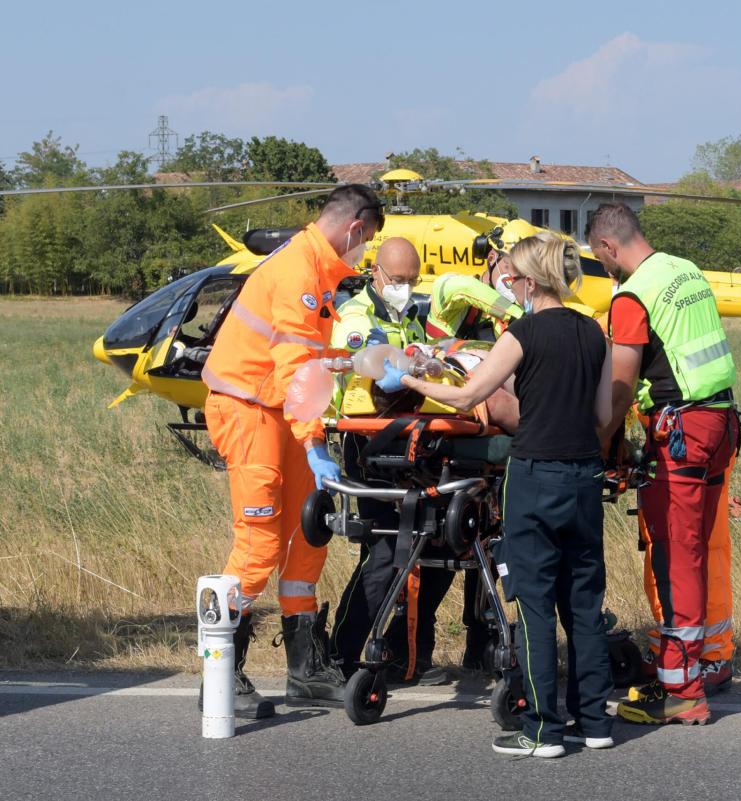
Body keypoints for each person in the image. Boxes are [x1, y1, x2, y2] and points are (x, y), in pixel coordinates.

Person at [395, 234, 614, 758]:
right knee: (583, 603)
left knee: (536, 604)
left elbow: (469, 395)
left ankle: (542, 730)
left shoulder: (523, 332)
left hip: (537, 475)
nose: (507, 287)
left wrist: (412, 379)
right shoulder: (592, 333)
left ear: (531, 282)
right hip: (585, 474)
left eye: (511, 279)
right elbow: (604, 415)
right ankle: (594, 721)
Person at [201, 184, 384, 713]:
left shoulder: (319, 275)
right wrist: (314, 439)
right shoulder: (298, 273)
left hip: (284, 412)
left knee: (308, 533)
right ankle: (220, 671)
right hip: (249, 408)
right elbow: (293, 368)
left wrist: (362, 361)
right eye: (367, 240)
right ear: (354, 227)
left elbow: (312, 359)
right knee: (258, 543)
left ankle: (306, 669)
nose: (365, 251)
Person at [587, 202, 740, 726]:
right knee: (700, 550)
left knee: (675, 556)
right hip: (720, 422)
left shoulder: (632, 295)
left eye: (600, 260)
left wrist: (598, 440)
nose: (604, 270)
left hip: (681, 435)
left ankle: (681, 689)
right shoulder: (683, 270)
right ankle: (699, 662)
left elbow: (621, 383)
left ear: (608, 247)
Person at [327, 237, 490, 685]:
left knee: (440, 543)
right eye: (398, 280)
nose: (405, 287)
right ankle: (339, 659)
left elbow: (427, 356)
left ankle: (404, 655)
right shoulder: (357, 315)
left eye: (412, 281)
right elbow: (368, 359)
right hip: (372, 444)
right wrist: (409, 365)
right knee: (382, 551)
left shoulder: (412, 317)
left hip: (418, 441)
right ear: (375, 273)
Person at [424, 227, 524, 341]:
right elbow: (465, 287)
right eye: (511, 266)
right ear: (491, 258)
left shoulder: (519, 305)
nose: (515, 275)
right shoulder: (452, 286)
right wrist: (522, 316)